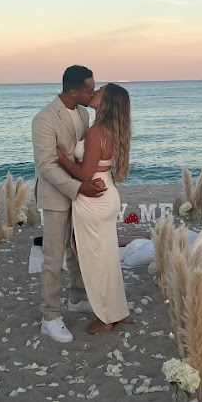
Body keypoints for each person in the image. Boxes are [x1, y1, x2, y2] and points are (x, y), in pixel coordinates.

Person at [32, 65, 106, 343]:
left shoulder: (85, 114)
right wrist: (79, 188)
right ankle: (50, 317)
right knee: (53, 258)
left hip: (80, 192)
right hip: (55, 196)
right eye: (89, 89)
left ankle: (77, 298)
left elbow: (81, 155)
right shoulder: (44, 119)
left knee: (78, 249)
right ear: (73, 91)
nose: (93, 93)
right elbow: (47, 166)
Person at [56, 83, 134, 334]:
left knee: (95, 260)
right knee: (108, 257)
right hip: (108, 193)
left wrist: (61, 158)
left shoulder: (97, 131)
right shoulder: (115, 130)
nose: (94, 92)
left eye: (99, 90)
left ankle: (104, 317)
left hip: (93, 200)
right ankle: (120, 312)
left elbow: (84, 173)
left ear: (107, 100)